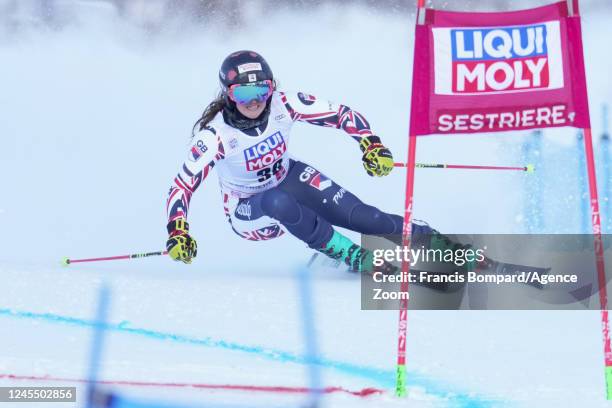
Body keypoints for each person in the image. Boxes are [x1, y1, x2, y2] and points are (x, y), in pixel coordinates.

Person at [165, 50, 438, 272]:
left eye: (261, 91)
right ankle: (348, 253)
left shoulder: (284, 104)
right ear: (228, 94)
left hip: (290, 177)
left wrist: (371, 144)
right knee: (277, 201)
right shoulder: (214, 136)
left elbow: (341, 114)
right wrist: (177, 230)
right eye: (243, 94)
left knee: (364, 216)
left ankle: (434, 240)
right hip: (248, 210)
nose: (254, 102)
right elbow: (181, 187)